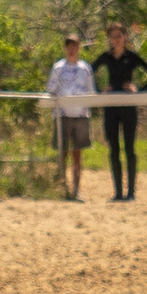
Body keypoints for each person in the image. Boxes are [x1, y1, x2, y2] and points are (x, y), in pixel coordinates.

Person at [90, 24, 147, 202]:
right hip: (111, 106)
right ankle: (118, 192)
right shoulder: (107, 57)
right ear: (110, 39)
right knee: (113, 150)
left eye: (119, 36)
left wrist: (139, 90)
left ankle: (131, 193)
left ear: (125, 37)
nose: (116, 39)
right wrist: (99, 91)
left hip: (128, 106)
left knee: (129, 149)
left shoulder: (131, 57)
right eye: (113, 36)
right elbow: (90, 71)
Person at [46, 33, 94, 201]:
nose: (72, 49)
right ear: (65, 48)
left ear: (79, 47)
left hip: (80, 116)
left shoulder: (85, 69)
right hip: (62, 115)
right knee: (62, 152)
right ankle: (62, 187)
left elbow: (91, 91)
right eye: (69, 46)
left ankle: (76, 190)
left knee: (77, 154)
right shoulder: (58, 67)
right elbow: (51, 89)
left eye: (74, 46)